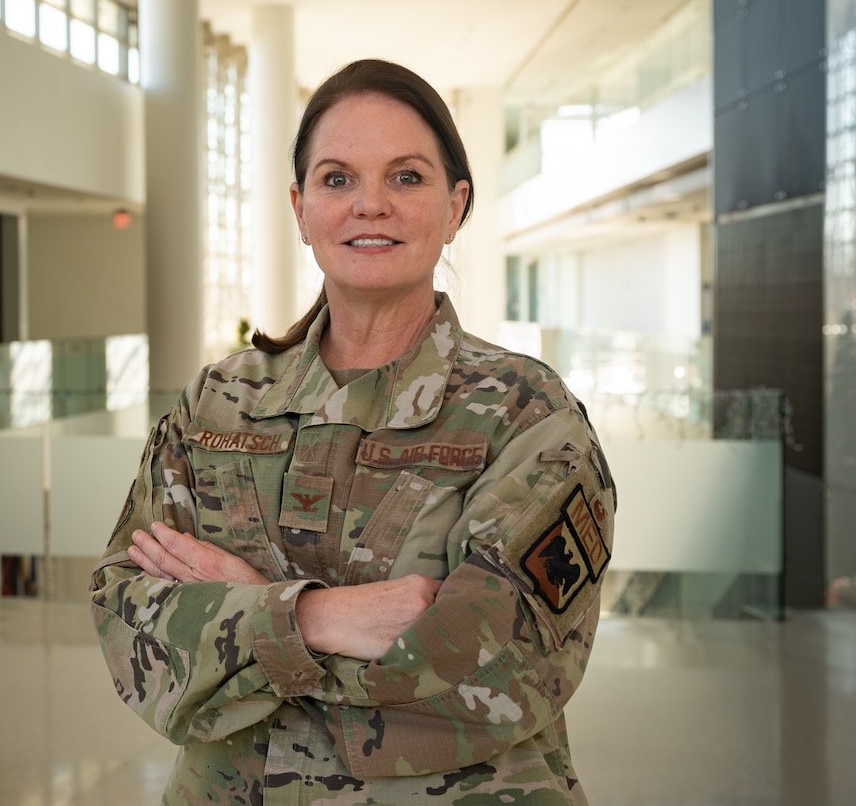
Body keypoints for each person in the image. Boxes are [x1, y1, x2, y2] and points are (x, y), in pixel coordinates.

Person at [90, 58, 617, 805]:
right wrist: (312, 616)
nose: (371, 204)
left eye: (406, 177)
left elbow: (500, 670)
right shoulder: (219, 402)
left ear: (456, 204)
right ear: (301, 208)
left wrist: (235, 629)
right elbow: (128, 619)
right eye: (338, 179)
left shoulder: (526, 414)